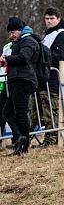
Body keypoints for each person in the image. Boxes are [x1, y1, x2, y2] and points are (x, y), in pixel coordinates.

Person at [1, 17, 39, 155]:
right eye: (9, 33)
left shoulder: (28, 41)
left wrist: (7, 59)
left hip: (23, 80)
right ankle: (20, 139)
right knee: (7, 112)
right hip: (16, 80)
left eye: (12, 32)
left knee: (21, 113)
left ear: (20, 30)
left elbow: (24, 57)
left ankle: (24, 145)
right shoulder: (19, 42)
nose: (10, 36)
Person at [37, 7, 64, 146]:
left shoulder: (62, 34)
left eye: (52, 18)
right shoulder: (48, 34)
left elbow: (59, 57)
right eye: (47, 18)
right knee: (45, 110)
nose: (49, 21)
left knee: (51, 110)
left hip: (55, 77)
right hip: (45, 76)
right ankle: (47, 138)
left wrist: (42, 58)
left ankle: (51, 140)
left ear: (58, 19)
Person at [0, 39, 11, 144]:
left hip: (13, 82)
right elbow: (2, 64)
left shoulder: (23, 44)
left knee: (12, 112)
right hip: (3, 82)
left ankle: (16, 138)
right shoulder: (7, 46)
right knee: (2, 111)